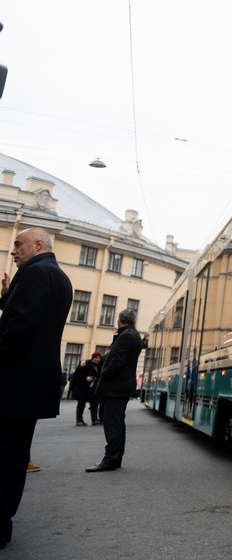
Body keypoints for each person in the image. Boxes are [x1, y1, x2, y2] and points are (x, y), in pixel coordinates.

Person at [0, 228, 73, 549]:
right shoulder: (58, 276)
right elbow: (31, 316)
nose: (13, 250)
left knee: (6, 456)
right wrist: (7, 298)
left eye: (18, 244)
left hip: (16, 381)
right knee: (14, 454)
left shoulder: (36, 273)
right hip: (31, 382)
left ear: (38, 245)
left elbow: (21, 328)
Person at [85, 308, 144, 472]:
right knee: (117, 422)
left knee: (112, 424)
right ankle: (115, 458)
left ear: (119, 321)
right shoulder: (135, 335)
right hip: (122, 386)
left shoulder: (126, 336)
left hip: (116, 387)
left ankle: (111, 459)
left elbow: (118, 362)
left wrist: (103, 373)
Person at [72, 353, 102, 426]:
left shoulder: (100, 365)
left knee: (94, 404)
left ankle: (94, 419)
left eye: (99, 358)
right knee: (81, 404)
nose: (98, 359)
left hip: (94, 388)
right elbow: (77, 373)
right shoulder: (86, 363)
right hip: (84, 387)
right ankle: (79, 420)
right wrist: (85, 377)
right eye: (96, 358)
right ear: (92, 358)